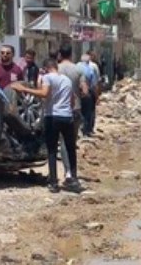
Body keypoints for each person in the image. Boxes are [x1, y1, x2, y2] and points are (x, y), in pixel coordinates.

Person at [11, 59, 81, 193]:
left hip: (53, 117)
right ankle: (73, 178)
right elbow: (72, 99)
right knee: (70, 148)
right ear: (56, 67)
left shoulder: (48, 78)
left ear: (46, 68)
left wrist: (24, 89)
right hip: (67, 117)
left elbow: (44, 93)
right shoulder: (66, 80)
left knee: (52, 150)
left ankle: (54, 182)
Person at [57, 44, 89, 184]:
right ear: (71, 54)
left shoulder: (55, 70)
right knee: (71, 142)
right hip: (74, 109)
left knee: (62, 142)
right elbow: (85, 90)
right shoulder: (78, 70)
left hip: (57, 110)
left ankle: (67, 171)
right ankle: (70, 172)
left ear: (60, 55)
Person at [0, 45, 24, 113]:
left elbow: (22, 88)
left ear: (13, 55)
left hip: (13, 106)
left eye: (7, 53)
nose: (4, 55)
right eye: (2, 53)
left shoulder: (17, 70)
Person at [78, 54, 98, 137]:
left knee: (79, 112)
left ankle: (79, 129)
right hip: (87, 92)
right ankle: (86, 130)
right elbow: (94, 84)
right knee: (88, 112)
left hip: (76, 93)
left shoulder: (76, 67)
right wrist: (96, 96)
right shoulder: (90, 69)